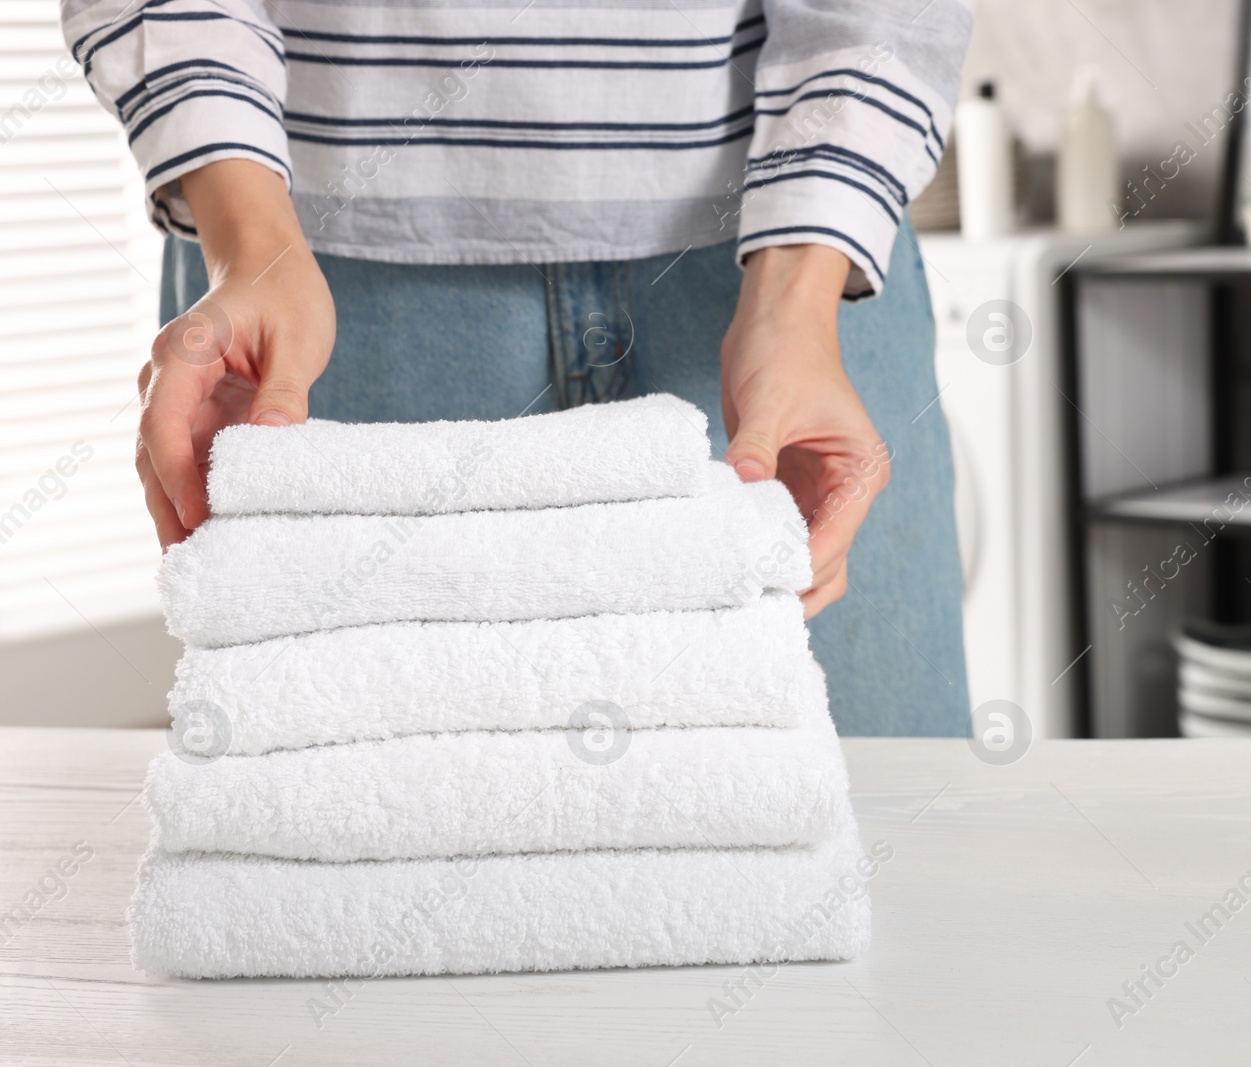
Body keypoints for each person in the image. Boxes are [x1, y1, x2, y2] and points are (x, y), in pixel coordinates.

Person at [64, 0, 973, 736]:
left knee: (888, 858)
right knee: (359, 880)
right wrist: (247, 240)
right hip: (309, 276)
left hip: (781, 275)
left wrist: (801, 290)